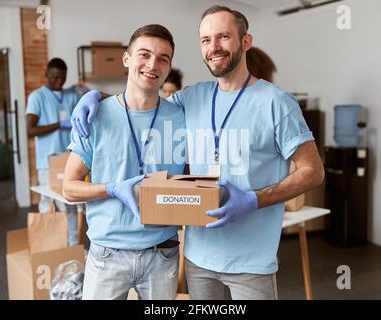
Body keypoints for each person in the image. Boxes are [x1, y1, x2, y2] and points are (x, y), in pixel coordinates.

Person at [71, 5, 324, 300]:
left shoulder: (277, 102)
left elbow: (313, 171)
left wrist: (253, 200)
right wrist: (94, 97)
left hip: (252, 262)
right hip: (198, 257)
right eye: (206, 40)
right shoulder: (190, 98)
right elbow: (141, 97)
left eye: (223, 37)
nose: (213, 47)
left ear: (245, 41)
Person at [62, 24, 186, 300]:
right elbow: (69, 188)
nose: (153, 64)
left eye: (163, 58)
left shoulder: (182, 117)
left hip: (162, 252)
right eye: (144, 54)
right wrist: (112, 188)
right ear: (126, 59)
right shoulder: (96, 117)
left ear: (168, 67)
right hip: (108, 253)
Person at [26, 57, 79, 246]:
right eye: (55, 77)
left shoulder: (72, 96)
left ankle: (73, 248)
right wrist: (59, 125)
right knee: (47, 204)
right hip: (47, 163)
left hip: (68, 160)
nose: (58, 82)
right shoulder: (37, 97)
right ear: (46, 74)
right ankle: (47, 246)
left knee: (69, 205)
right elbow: (29, 130)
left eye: (62, 78)